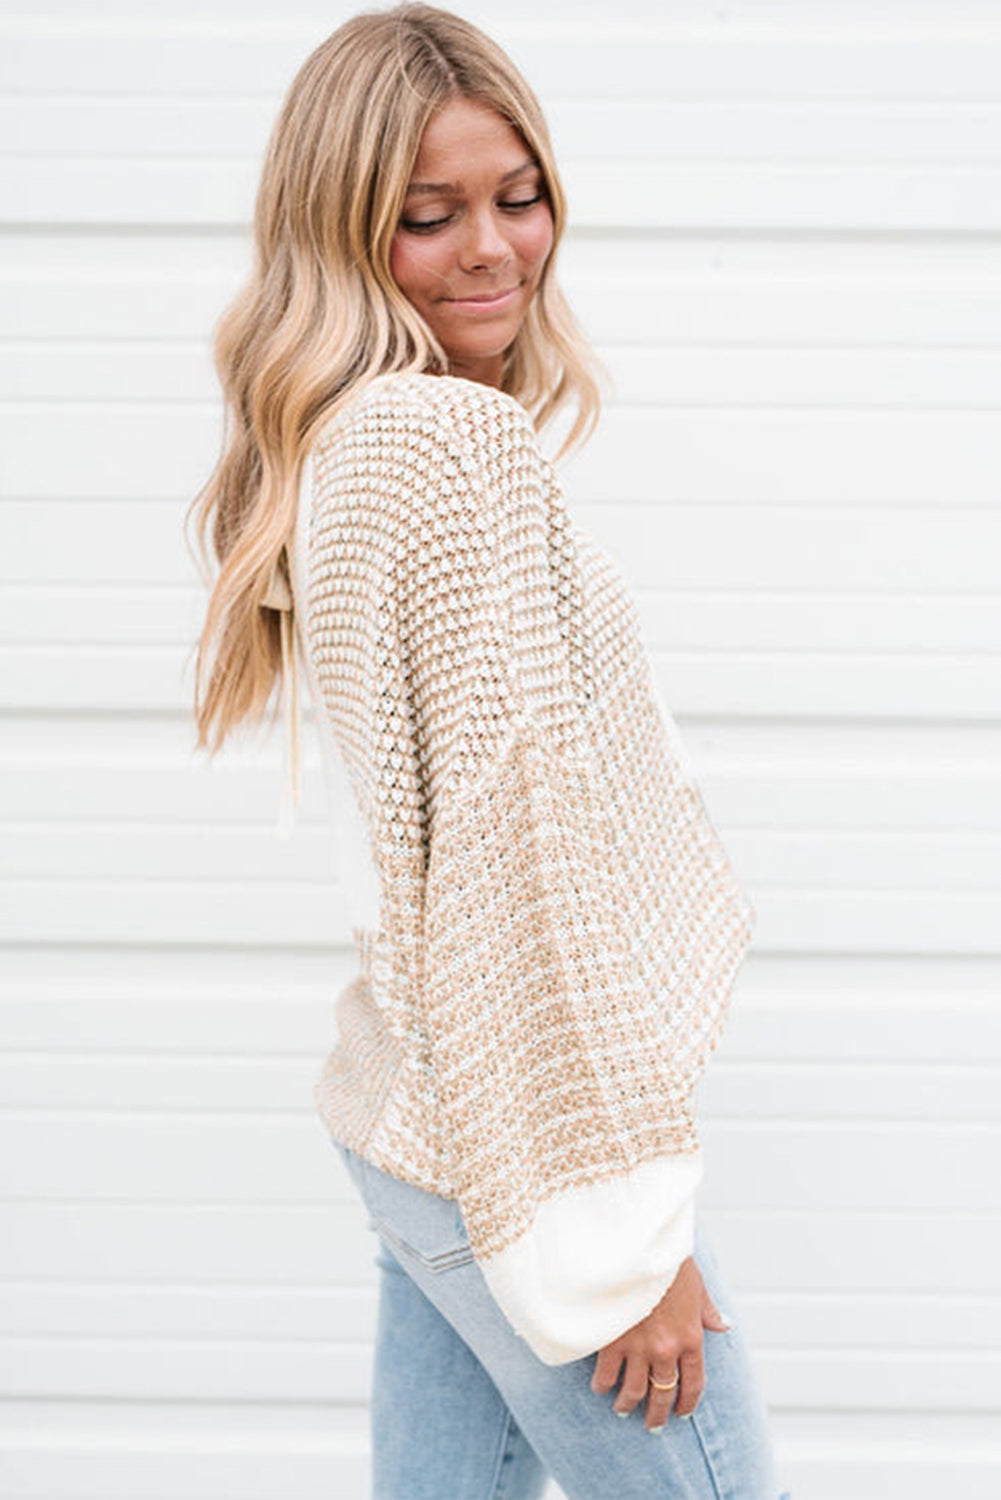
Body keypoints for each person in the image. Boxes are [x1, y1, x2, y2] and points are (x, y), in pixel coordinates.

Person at [188, 5, 789, 1497]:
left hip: (422, 1125)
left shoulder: (346, 444)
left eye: (518, 198)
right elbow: (520, 867)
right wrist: (624, 1244)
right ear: (338, 234)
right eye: (427, 216)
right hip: (522, 1157)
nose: (492, 250)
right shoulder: (447, 452)